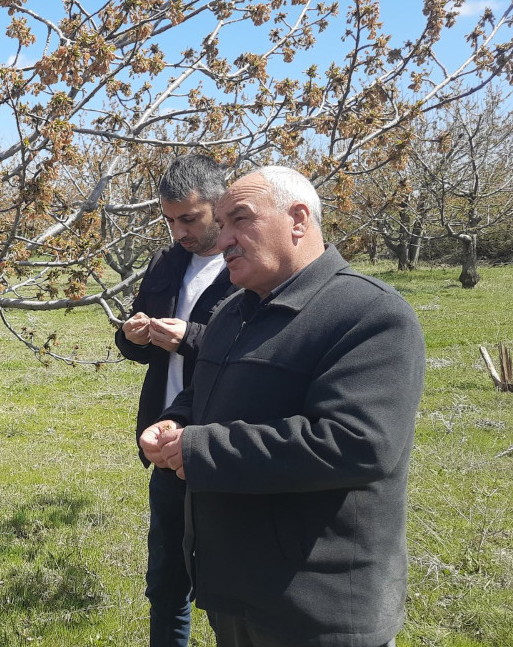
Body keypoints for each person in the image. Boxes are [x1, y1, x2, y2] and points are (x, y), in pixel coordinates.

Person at [139, 166, 425, 647]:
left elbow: (358, 443)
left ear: (297, 219)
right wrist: (176, 420)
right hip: (236, 594)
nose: (224, 238)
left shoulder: (369, 315)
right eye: (222, 224)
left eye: (240, 220)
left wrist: (197, 448)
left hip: (318, 607)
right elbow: (206, 389)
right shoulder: (234, 312)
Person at [114, 154, 237, 647]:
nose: (178, 231)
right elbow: (137, 348)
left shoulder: (244, 263)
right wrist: (133, 335)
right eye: (169, 220)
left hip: (221, 444)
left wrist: (187, 337)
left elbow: (251, 349)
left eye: (189, 218)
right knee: (166, 583)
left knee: (229, 587)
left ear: (219, 205)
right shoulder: (168, 262)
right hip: (165, 442)